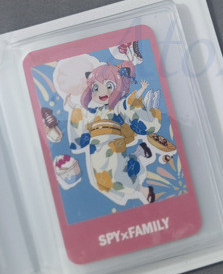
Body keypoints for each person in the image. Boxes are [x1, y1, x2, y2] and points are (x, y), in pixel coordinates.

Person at [68, 61, 161, 206]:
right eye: (96, 88)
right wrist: (73, 108)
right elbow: (83, 118)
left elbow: (129, 105)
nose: (102, 92)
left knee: (117, 173)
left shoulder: (118, 107)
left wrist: (140, 97)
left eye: (109, 86)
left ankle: (142, 190)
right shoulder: (95, 112)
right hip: (95, 147)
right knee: (101, 179)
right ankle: (139, 153)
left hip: (113, 143)